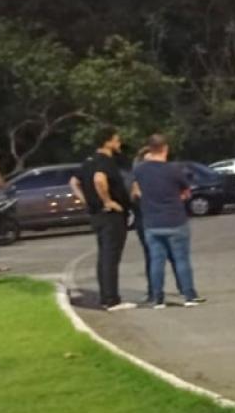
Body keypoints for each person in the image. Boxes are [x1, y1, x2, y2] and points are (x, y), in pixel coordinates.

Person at [132, 133, 204, 309]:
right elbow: (186, 191)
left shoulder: (140, 170)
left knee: (156, 261)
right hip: (174, 219)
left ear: (149, 149)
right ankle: (188, 295)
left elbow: (136, 190)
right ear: (165, 148)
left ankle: (157, 298)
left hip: (151, 221)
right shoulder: (174, 169)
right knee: (181, 259)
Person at [75, 126, 135, 312]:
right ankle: (111, 299)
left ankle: (105, 296)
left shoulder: (88, 161)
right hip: (111, 215)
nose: (119, 144)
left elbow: (74, 182)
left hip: (96, 214)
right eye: (116, 140)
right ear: (108, 141)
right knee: (111, 256)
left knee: (104, 256)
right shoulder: (105, 161)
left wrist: (87, 200)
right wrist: (108, 201)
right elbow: (99, 179)